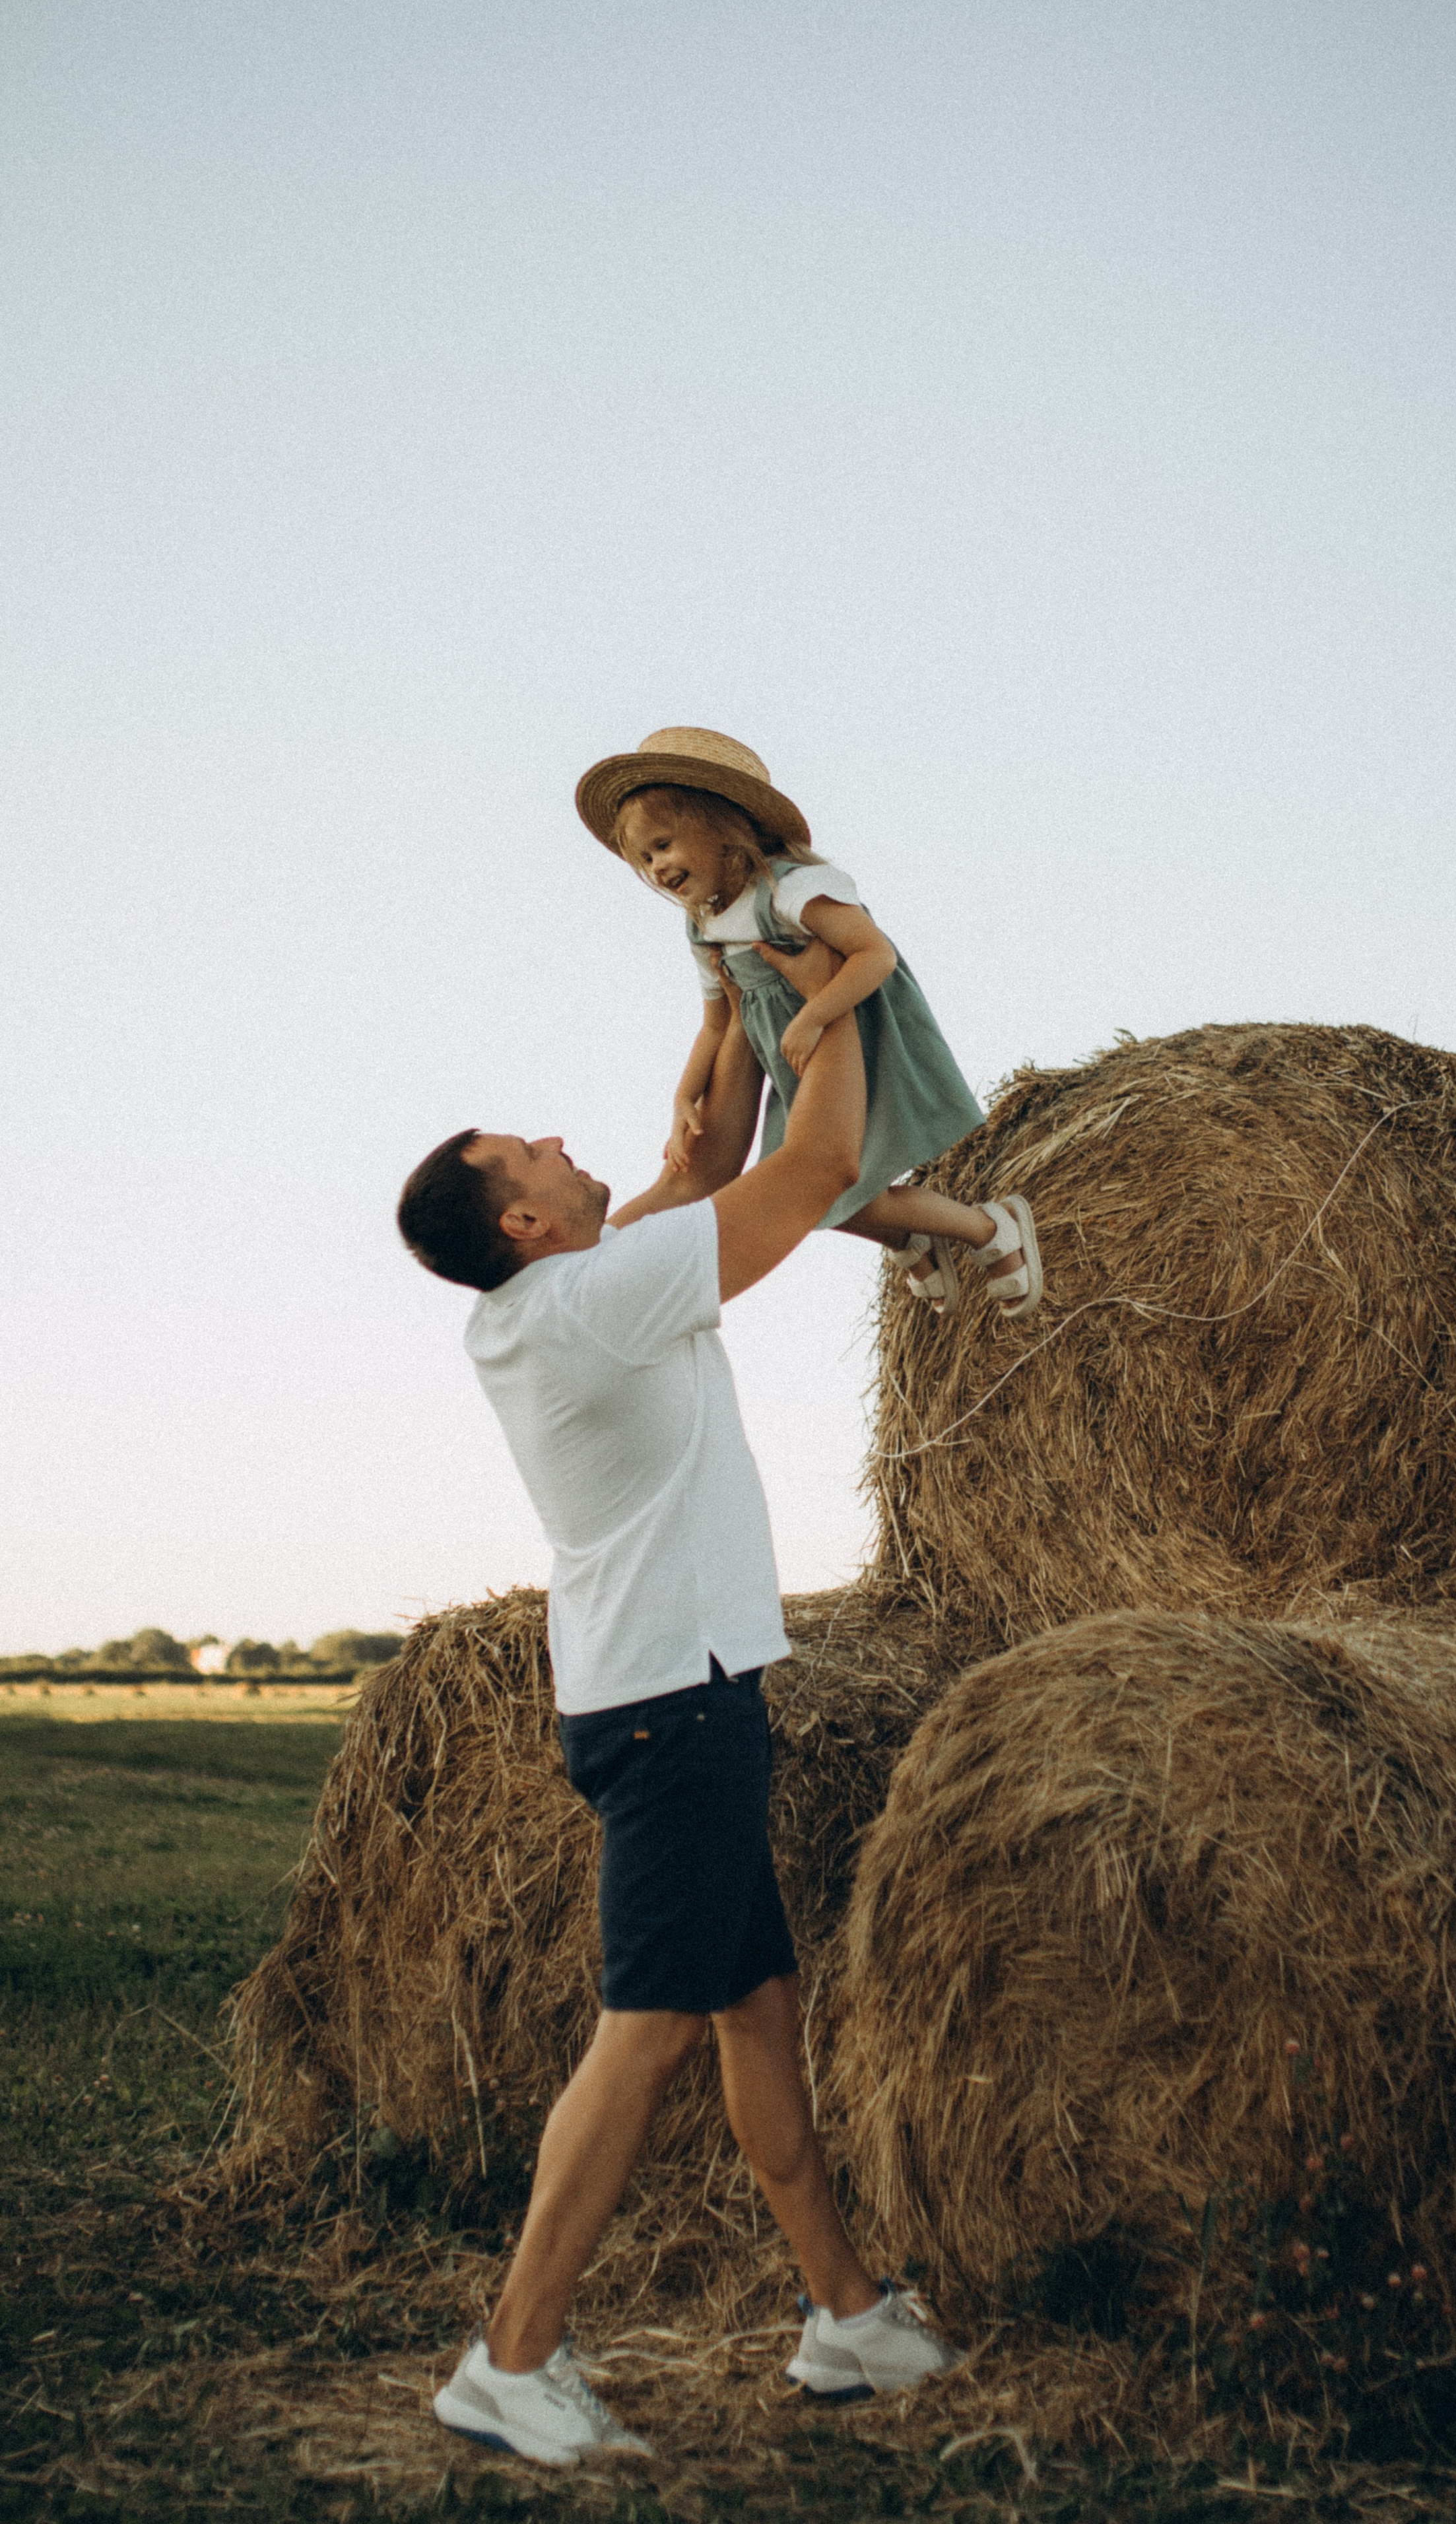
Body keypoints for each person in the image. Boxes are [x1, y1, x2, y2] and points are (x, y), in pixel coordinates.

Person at [395, 939, 961, 2470]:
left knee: (754, 2008)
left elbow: (694, 1157)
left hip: (661, 1696)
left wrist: (724, 1009)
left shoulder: (552, 1299)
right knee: (643, 2031)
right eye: (530, 1150)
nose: (561, 1143)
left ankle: (843, 2308)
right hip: (676, 1707)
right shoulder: (598, 1297)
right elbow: (824, 1159)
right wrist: (828, 1001)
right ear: (520, 1218)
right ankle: (510, 2357)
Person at [576, 723, 1043, 1321]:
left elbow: (875, 955)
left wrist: (816, 1017)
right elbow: (717, 1026)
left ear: (722, 828)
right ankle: (911, 1236)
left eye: (663, 844)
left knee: (820, 1186)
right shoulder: (704, 925)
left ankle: (988, 1228)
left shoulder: (791, 890)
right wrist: (684, 1098)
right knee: (804, 1193)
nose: (656, 866)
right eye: (644, 858)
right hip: (796, 1066)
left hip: (861, 1039)